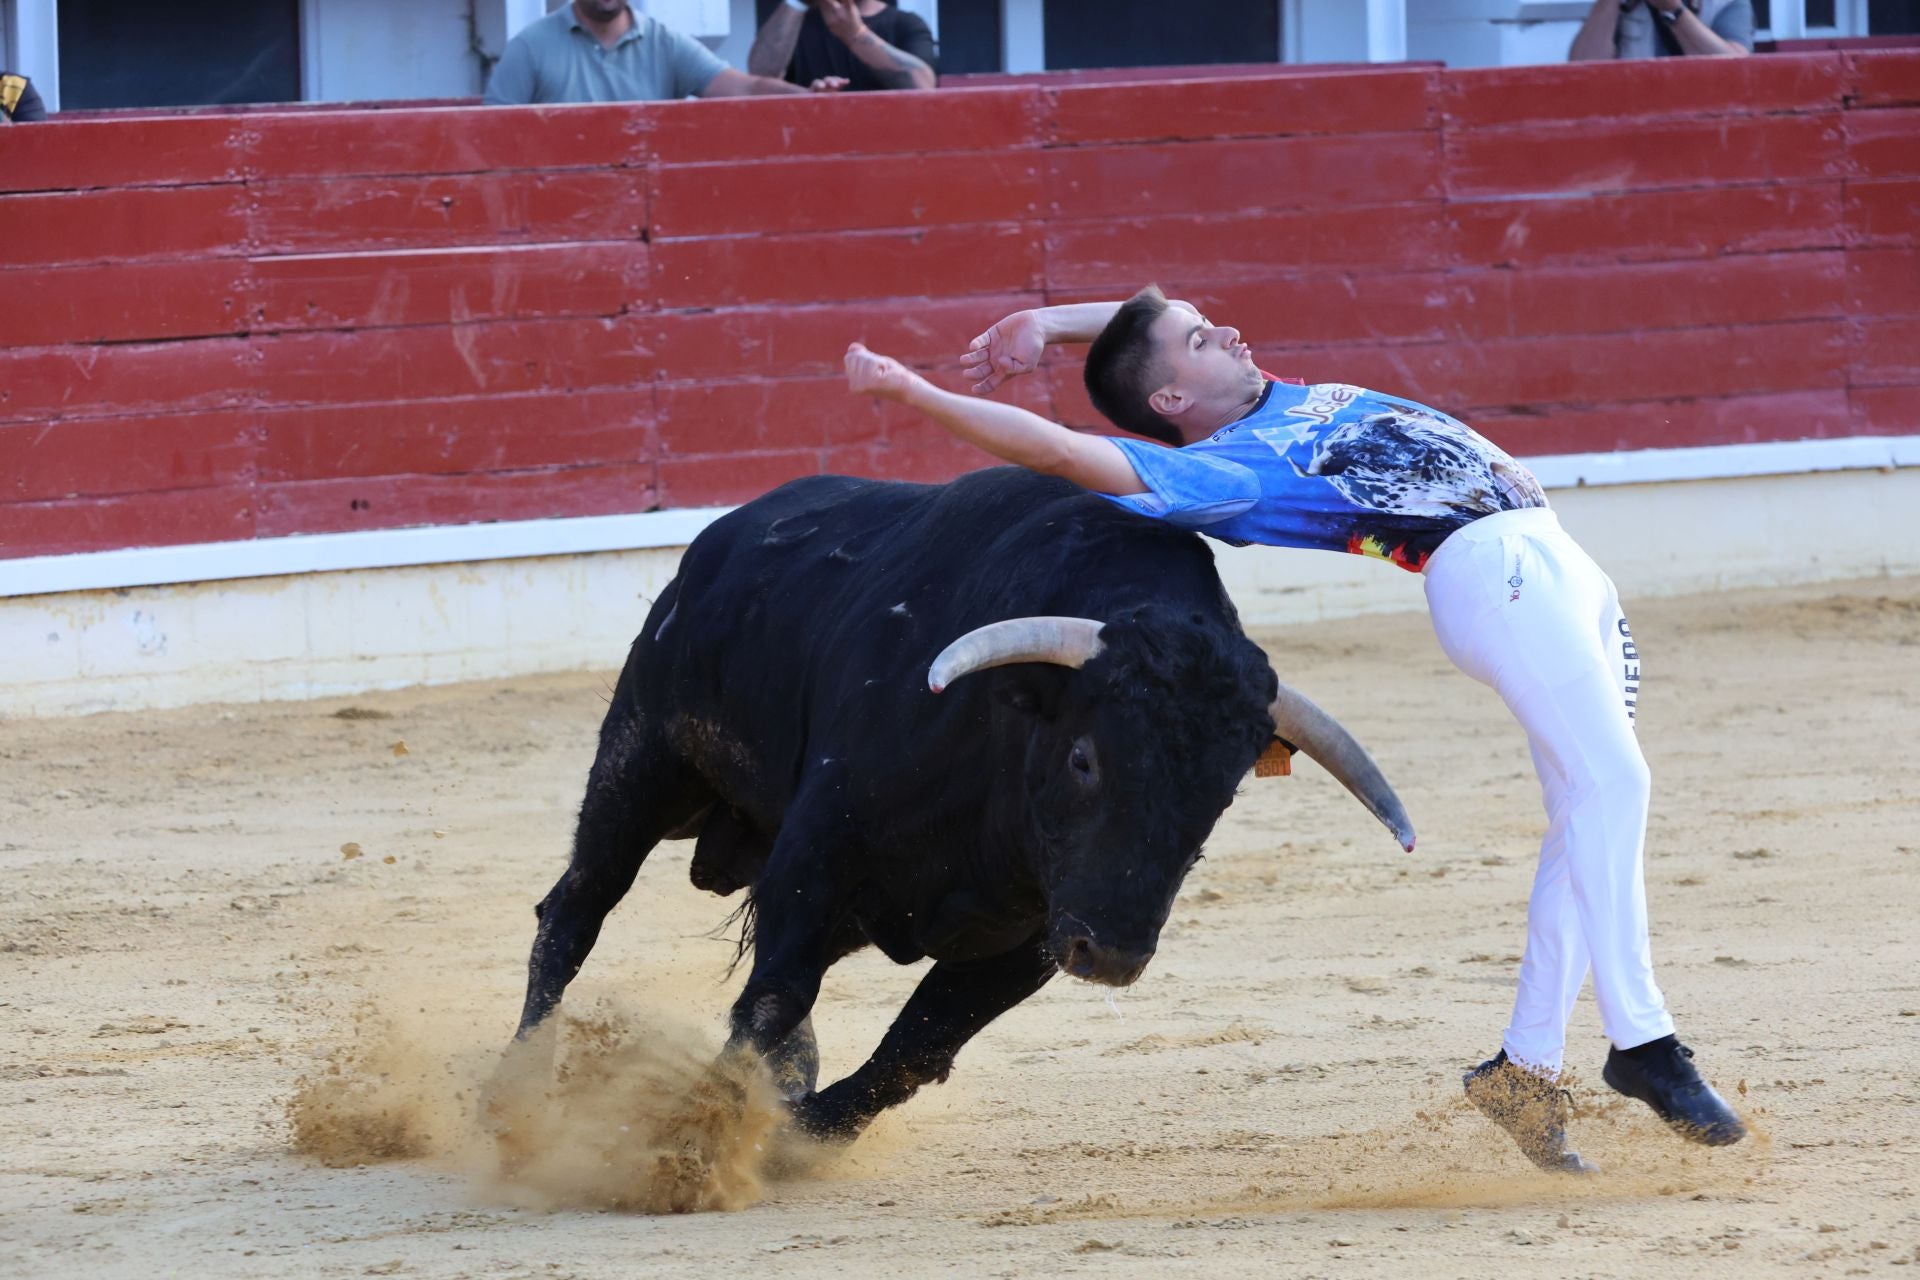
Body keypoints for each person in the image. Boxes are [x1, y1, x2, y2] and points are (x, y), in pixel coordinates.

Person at [840, 288, 1749, 1173]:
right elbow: (1069, 453)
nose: (1227, 330)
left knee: (1590, 813)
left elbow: (1148, 314)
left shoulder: (1271, 399)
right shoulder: (1220, 473)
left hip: (1561, 562)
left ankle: (1527, 1069)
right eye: (1199, 340)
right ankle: (1645, 1042)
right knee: (1614, 789)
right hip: (1492, 567)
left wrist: (1048, 324)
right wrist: (915, 394)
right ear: (1170, 400)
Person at [485, 0, 845, 106]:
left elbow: (747, 88)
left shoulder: (665, 42)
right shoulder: (529, 46)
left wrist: (809, 97)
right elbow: (492, 138)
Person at [749, 0, 937, 92]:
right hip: (814, 152)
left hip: (886, 154)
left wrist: (856, 35)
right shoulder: (793, 25)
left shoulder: (905, 24)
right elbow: (758, 78)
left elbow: (923, 87)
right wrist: (796, 2)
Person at [1570, 0, 1755, 59]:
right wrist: (1609, 3)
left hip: (1704, 128)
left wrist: (1673, 11)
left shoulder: (1725, 3)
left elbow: (1736, 70)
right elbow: (1581, 67)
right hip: (1633, 125)